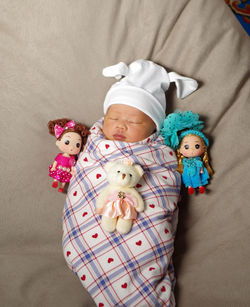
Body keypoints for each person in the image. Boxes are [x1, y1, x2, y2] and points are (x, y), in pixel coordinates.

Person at [62, 60, 198, 306]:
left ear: (153, 129)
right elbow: (87, 175)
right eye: (113, 117)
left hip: (141, 231)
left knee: (148, 243)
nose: (121, 125)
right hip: (95, 224)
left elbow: (163, 185)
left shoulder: (158, 153)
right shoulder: (95, 145)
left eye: (134, 122)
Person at [48, 118, 89, 192]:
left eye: (77, 144)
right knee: (57, 175)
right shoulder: (60, 155)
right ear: (58, 142)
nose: (71, 147)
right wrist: (54, 167)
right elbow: (56, 162)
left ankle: (62, 187)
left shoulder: (73, 158)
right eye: (67, 142)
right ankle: (55, 181)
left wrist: (72, 171)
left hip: (67, 170)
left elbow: (72, 165)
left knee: (64, 180)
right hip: (59, 168)